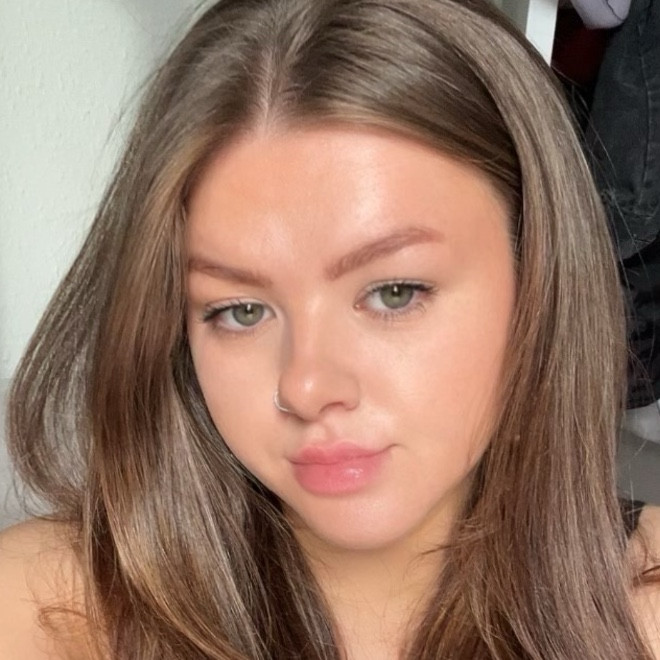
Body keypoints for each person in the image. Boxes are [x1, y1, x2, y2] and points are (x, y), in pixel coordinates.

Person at [1, 0, 659, 657]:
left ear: (538, 276)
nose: (306, 386)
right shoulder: (44, 610)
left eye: (394, 293)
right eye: (240, 310)